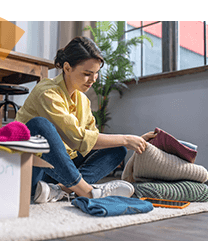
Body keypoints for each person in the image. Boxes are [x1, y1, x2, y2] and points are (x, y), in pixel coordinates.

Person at [14, 36, 156, 203]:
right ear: (67, 68)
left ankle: (61, 190)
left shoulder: (83, 101)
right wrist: (126, 138)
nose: (93, 80)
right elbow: (77, 139)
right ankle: (86, 191)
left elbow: (91, 141)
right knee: (39, 125)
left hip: (61, 172)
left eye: (96, 74)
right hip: (36, 169)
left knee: (117, 149)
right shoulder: (47, 92)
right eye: (87, 74)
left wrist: (133, 141)